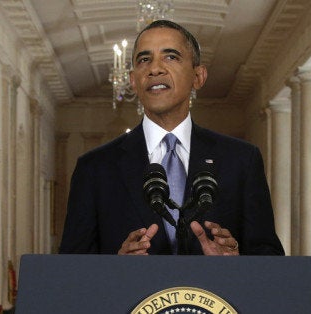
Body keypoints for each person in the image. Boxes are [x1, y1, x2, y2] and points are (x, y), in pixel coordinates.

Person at [59, 20, 284, 256]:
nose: (155, 69)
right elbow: (71, 270)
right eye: (144, 59)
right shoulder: (94, 168)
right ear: (133, 81)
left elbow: (269, 258)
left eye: (171, 57)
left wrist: (235, 258)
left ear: (198, 76)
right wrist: (116, 269)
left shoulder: (241, 160)